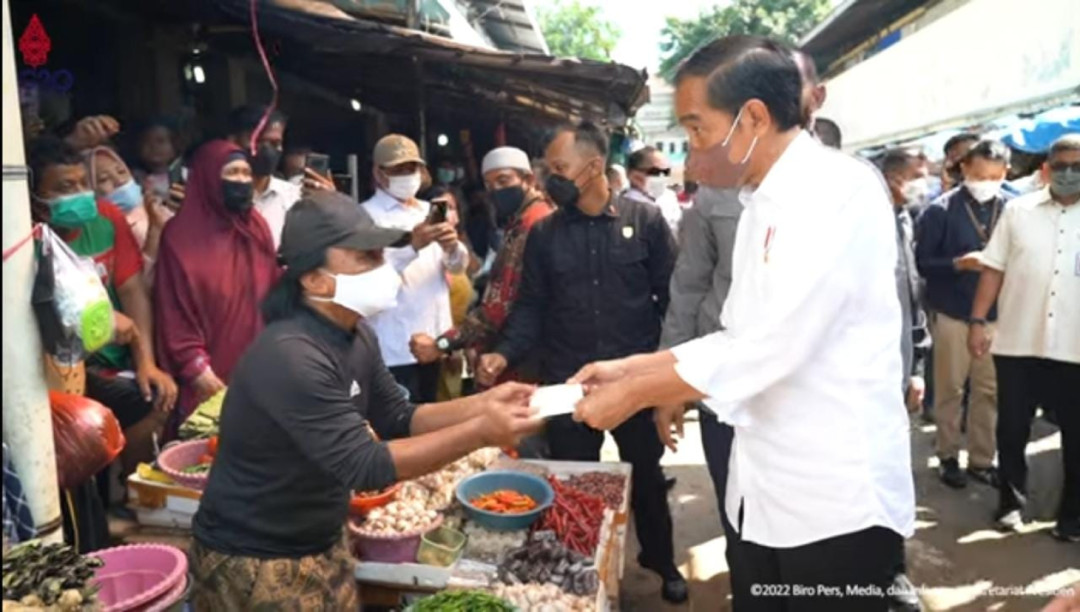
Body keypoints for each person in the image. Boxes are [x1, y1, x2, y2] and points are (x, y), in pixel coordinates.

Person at [568, 36, 915, 611]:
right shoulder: (758, 202)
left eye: (697, 128)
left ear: (752, 117)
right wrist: (634, 367)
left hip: (833, 498)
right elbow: (735, 337)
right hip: (765, 486)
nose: (690, 148)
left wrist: (632, 392)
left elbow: (774, 346)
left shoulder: (837, 193)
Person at [190, 191, 541, 609]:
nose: (382, 268)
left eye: (379, 255)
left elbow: (398, 416)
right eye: (365, 258)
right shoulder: (291, 355)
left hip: (322, 536)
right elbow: (366, 465)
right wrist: (482, 432)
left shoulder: (357, 334)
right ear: (314, 279)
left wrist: (485, 403)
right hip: (256, 555)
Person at [477, 122, 687, 603]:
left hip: (633, 383)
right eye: (549, 169)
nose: (553, 178)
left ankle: (660, 559)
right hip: (567, 383)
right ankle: (580, 570)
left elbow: (671, 299)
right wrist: (502, 352)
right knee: (574, 486)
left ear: (594, 168)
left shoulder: (646, 220)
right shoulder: (546, 234)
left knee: (648, 479)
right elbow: (530, 305)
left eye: (560, 168)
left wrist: (663, 377)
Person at [28, 136, 178, 473]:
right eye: (66, 187)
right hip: (53, 367)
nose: (81, 194)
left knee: (154, 397)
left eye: (84, 184)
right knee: (78, 439)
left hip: (110, 357)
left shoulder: (106, 217)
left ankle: (133, 493)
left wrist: (147, 363)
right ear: (38, 202)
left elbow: (133, 292)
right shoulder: (25, 239)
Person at [968, 134, 1080, 538]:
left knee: (1076, 437)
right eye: (1062, 165)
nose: (1070, 173)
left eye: (1078, 166)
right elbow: (993, 268)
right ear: (1047, 169)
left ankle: (1072, 518)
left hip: (1074, 346)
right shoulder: (1018, 212)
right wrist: (978, 320)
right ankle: (1010, 503)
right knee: (1012, 428)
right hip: (1018, 341)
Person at [153, 140, 280, 425]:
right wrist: (197, 371)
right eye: (232, 173)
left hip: (260, 369)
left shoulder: (256, 227)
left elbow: (273, 291)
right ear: (209, 177)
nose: (242, 181)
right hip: (208, 376)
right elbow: (173, 311)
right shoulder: (180, 237)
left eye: (247, 173)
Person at [410, 147, 555, 385]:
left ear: (528, 179)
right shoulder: (521, 222)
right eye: (489, 185)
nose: (496, 190)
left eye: (503, 180)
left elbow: (499, 306)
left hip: (524, 359)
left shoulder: (533, 226)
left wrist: (444, 343)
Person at [916, 140, 1011, 490]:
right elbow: (923, 264)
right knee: (950, 389)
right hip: (954, 313)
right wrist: (959, 264)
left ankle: (983, 459)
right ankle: (948, 455)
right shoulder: (940, 211)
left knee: (989, 391)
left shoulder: (1013, 209)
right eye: (978, 174)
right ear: (965, 169)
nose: (984, 181)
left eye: (993, 176)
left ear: (1005, 174)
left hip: (999, 316)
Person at [361, 134, 467, 403]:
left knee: (435, 416)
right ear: (379, 173)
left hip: (435, 339)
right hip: (394, 345)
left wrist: (452, 247)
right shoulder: (366, 217)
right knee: (401, 424)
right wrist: (412, 247)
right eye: (399, 170)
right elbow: (369, 278)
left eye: (412, 169)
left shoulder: (428, 211)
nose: (408, 176)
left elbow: (457, 267)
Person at [225, 106, 302, 249]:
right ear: (233, 142)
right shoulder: (215, 198)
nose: (272, 150)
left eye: (277, 143)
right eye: (261, 141)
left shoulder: (294, 198)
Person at [86, 146, 174, 267]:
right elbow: (139, 279)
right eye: (104, 179)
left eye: (121, 172)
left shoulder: (158, 209)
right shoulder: (103, 233)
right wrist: (155, 230)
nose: (119, 181)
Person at [623, 146, 683, 236]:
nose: (663, 177)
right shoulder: (624, 206)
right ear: (634, 175)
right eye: (656, 172)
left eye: (666, 172)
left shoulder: (669, 198)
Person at [132, 118, 182, 200]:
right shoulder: (135, 178)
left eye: (160, 141)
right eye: (147, 141)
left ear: (174, 145)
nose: (153, 147)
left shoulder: (185, 176)